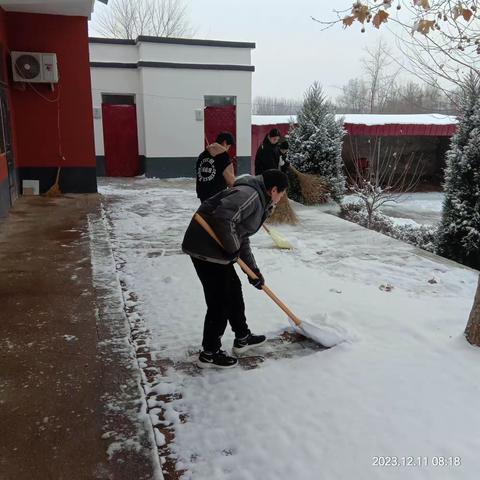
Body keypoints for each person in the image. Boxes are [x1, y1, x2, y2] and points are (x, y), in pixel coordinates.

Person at [182, 169, 289, 368]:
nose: (281, 198)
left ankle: (242, 337)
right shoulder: (249, 195)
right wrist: (232, 248)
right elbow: (224, 218)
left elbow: (241, 236)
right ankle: (210, 352)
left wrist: (253, 271)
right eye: (282, 193)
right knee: (220, 300)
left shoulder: (259, 199)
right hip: (205, 247)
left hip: (217, 248)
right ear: (274, 190)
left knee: (233, 290)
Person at [196, 132, 236, 202]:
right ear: (224, 142)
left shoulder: (202, 155)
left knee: (205, 213)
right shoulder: (224, 156)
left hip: (202, 195)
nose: (228, 149)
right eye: (229, 146)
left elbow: (198, 173)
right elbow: (230, 181)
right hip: (217, 197)